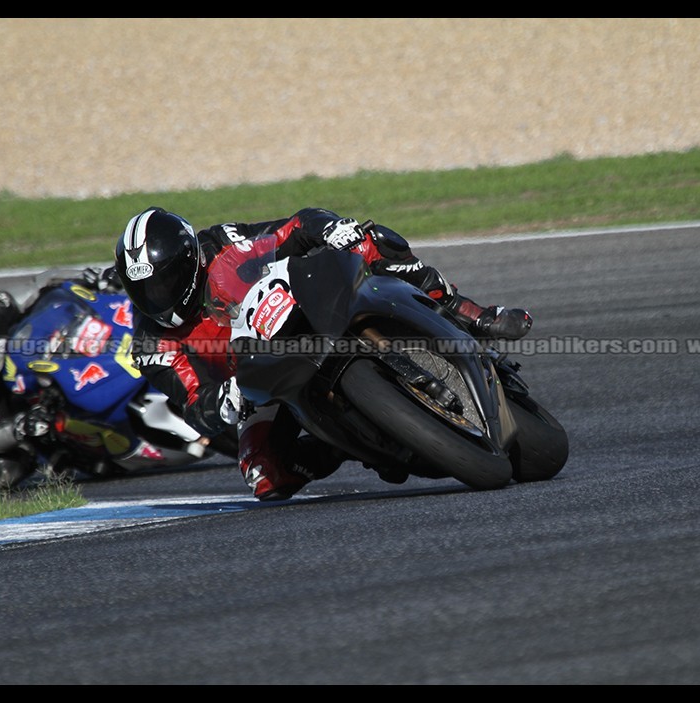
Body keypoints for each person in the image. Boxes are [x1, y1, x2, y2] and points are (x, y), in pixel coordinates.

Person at [115, 206, 533, 501]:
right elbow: (194, 405)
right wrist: (222, 402)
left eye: (164, 282)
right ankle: (347, 444)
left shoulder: (223, 245)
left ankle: (467, 310)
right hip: (260, 383)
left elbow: (294, 227)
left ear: (190, 260)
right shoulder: (152, 344)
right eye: (144, 290)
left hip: (305, 308)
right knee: (265, 479)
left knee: (373, 241)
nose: (157, 297)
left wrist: (330, 229)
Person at [0, 268, 121, 490]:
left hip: (34, 372)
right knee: (4, 474)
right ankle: (52, 451)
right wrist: (20, 427)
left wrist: (88, 277)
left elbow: (42, 281)